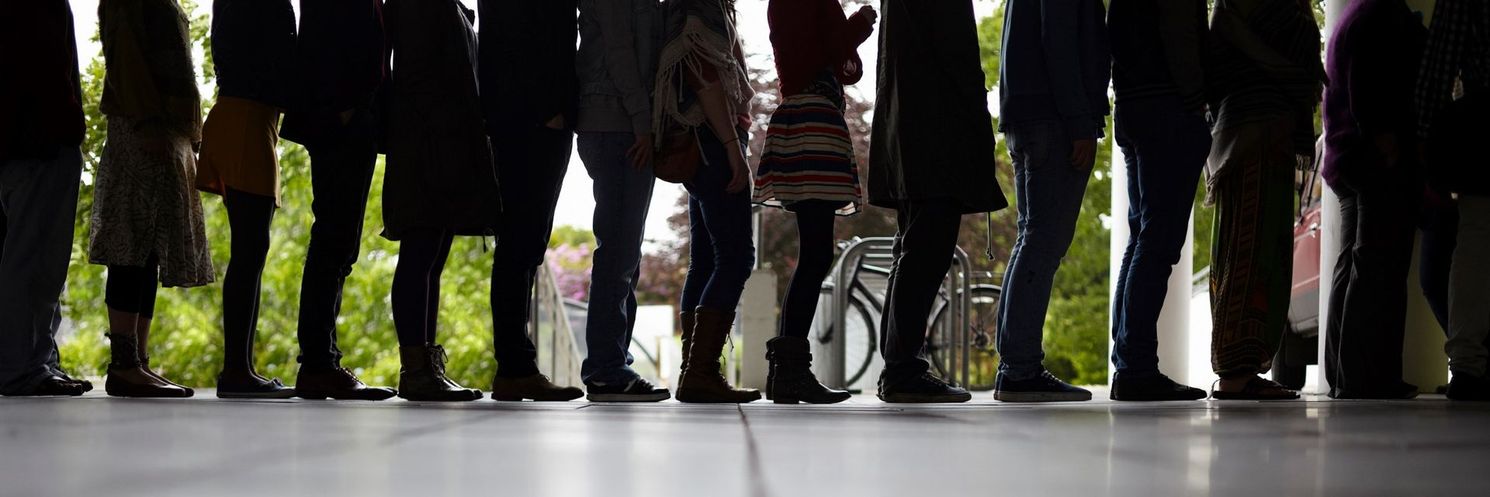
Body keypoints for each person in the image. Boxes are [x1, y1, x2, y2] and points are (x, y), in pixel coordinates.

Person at [868, 0, 1008, 403]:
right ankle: (903, 368)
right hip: (936, 131)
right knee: (927, 249)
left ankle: (899, 364)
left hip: (910, 128)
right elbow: (958, 56)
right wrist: (978, 129)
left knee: (911, 250)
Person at [91, 0, 216, 398]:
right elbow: (127, 56)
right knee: (131, 242)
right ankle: (124, 363)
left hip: (165, 129)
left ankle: (138, 359)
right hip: (143, 129)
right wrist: (147, 121)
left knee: (149, 247)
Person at [753, 0, 876, 405]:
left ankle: (787, 372)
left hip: (804, 120)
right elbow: (830, 46)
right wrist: (860, 21)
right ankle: (790, 372)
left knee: (815, 253)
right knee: (816, 253)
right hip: (813, 123)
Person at [1204, 0, 1324, 401]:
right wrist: (1292, 73)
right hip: (1251, 134)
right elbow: (1225, 62)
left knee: (1262, 251)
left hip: (1261, 135)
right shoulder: (1235, 10)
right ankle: (1236, 369)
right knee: (1247, 250)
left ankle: (1245, 365)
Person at [279, 0, 397, 401]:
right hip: (339, 120)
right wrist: (344, 108)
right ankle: (318, 363)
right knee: (334, 239)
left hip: (349, 118)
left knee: (339, 241)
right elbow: (325, 39)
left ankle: (321, 360)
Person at [992, 0, 1109, 403]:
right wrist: (1080, 120)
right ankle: (1020, 368)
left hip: (1025, 114)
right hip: (1054, 118)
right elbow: (1059, 38)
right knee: (1044, 241)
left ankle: (1013, 364)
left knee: (1032, 238)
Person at [382, 0, 497, 402]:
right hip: (427, 145)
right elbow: (420, 77)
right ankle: (415, 368)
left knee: (432, 256)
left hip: (442, 143)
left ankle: (425, 364)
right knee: (421, 253)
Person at [477, 0, 586, 402]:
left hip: (530, 121)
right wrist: (547, 111)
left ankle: (516, 366)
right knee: (520, 245)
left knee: (524, 246)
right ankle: (515, 367)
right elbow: (506, 46)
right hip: (529, 123)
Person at [1107, 0, 1212, 402]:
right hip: (1167, 108)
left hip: (1133, 106)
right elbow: (1180, 35)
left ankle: (1129, 362)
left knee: (1143, 240)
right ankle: (1136, 367)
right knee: (1157, 243)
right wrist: (1196, 98)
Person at [1321, 0, 1426, 400]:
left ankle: (1343, 375)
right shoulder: (1379, 17)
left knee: (1352, 265)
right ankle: (1366, 378)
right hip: (1373, 155)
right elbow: (1370, 87)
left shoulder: (1354, 14)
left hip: (1346, 157)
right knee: (1377, 267)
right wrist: (1385, 139)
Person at [656, 0, 760, 404]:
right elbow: (703, 74)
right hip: (713, 139)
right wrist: (733, 147)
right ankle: (700, 371)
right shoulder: (702, 5)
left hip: (700, 140)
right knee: (736, 258)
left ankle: (693, 371)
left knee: (706, 261)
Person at [196, 0, 297, 399]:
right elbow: (276, 61)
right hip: (246, 122)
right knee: (250, 250)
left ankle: (241, 367)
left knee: (251, 250)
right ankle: (236, 369)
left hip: (246, 120)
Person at [574, 0, 672, 402]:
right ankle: (605, 368)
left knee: (624, 253)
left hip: (620, 123)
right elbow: (620, 53)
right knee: (618, 251)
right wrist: (643, 124)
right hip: (616, 124)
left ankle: (614, 363)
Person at [0, 0, 93, 397]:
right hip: (41, 139)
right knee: (36, 260)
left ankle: (32, 360)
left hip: (16, 140)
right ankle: (26, 366)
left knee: (21, 256)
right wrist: (69, 122)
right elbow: (46, 60)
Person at [1417, 0, 1490, 401]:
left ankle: (1468, 364)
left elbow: (1440, 64)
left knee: (1476, 240)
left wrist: (1426, 140)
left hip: (1483, 119)